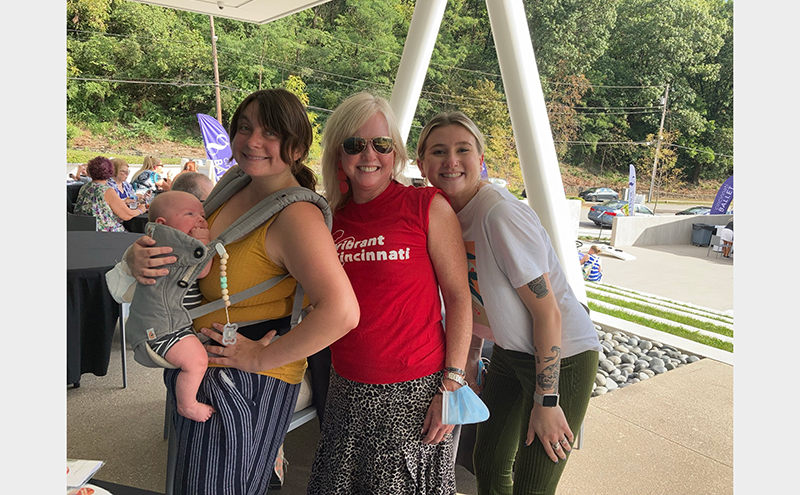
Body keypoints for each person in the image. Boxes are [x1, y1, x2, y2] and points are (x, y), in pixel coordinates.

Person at [122, 89, 360, 495]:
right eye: (245, 128)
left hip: (244, 377)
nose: (252, 141)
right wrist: (136, 257)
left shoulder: (296, 216)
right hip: (205, 361)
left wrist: (261, 355)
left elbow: (341, 311)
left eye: (270, 133)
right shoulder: (235, 184)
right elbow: (181, 245)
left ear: (298, 146)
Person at [416, 111, 602, 495]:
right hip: (509, 352)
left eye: (462, 149)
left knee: (532, 484)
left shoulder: (499, 215)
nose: (451, 161)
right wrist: (468, 359)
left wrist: (547, 401)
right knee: (488, 462)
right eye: (439, 151)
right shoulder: (446, 215)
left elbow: (546, 310)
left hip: (560, 354)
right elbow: (467, 299)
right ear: (422, 164)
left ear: (480, 159)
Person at [302, 91, 472, 495]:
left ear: (394, 151)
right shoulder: (330, 217)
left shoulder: (426, 205)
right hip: (346, 387)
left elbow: (459, 297)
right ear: (339, 154)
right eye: (355, 144)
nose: (369, 155)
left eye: (381, 144)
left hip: (414, 392)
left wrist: (452, 383)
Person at [131, 190, 215, 422]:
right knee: (197, 361)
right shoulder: (173, 247)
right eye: (189, 214)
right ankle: (187, 405)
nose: (200, 219)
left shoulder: (157, 243)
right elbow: (203, 271)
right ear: (162, 224)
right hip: (164, 327)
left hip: (161, 323)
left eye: (202, 214)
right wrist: (204, 243)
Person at [73, 156, 147, 232]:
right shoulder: (106, 190)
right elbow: (127, 215)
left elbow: (100, 206)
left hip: (84, 231)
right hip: (107, 234)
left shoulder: (85, 187)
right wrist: (141, 210)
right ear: (111, 171)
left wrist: (123, 202)